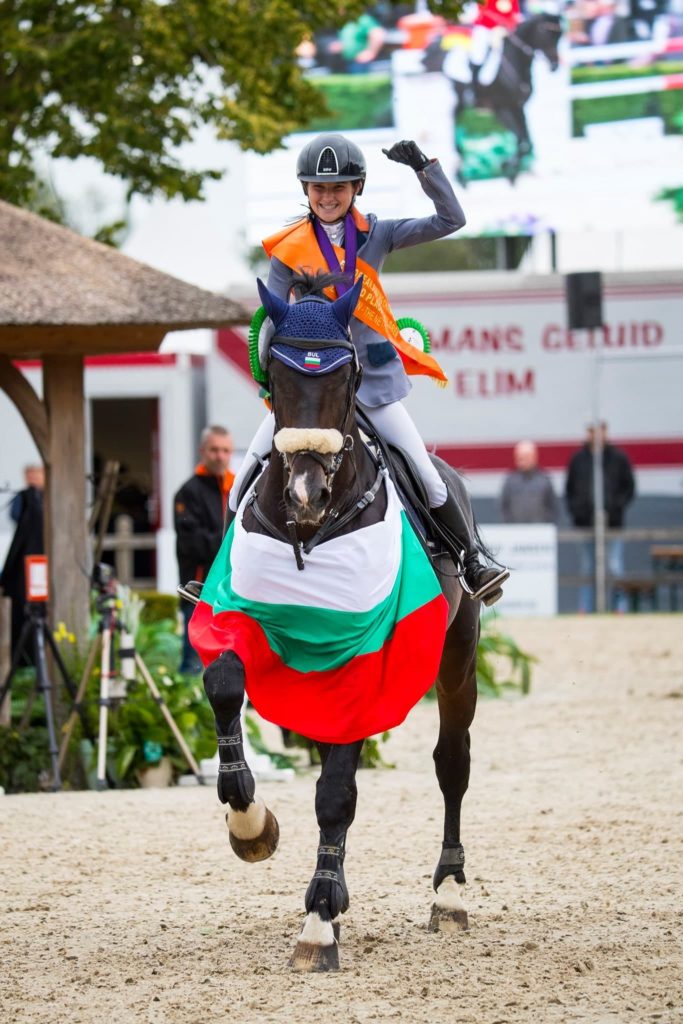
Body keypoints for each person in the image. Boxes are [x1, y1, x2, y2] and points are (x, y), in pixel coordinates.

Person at [229, 132, 508, 604]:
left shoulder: (377, 233)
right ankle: (219, 577)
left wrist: (426, 169)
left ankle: (471, 559)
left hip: (372, 384)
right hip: (313, 392)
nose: (328, 196)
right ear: (306, 191)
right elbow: (274, 326)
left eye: (338, 187)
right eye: (318, 188)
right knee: (244, 478)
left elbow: (451, 219)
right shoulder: (287, 250)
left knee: (425, 470)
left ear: (357, 187)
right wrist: (278, 381)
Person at [174, 426, 234, 673]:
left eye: (225, 450)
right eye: (214, 450)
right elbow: (193, 544)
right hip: (199, 590)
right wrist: (233, 546)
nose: (220, 455)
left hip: (233, 590)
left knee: (229, 661)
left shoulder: (237, 487)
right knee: (195, 663)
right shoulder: (188, 492)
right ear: (203, 451)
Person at [565, 422, 635, 613]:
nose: (596, 434)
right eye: (592, 430)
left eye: (599, 430)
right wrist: (578, 512)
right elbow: (570, 490)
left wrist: (615, 508)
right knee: (587, 567)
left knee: (615, 566)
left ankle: (620, 607)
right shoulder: (578, 459)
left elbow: (629, 488)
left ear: (605, 432)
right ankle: (585, 608)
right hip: (585, 524)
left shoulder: (619, 458)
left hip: (613, 523)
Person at [1, 464, 45, 658]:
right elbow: (15, 517)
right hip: (24, 561)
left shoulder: (48, 498)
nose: (32, 478)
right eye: (29, 474)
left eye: (36, 474)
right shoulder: (23, 498)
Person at [501, 440, 558, 523]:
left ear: (534, 457)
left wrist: (546, 524)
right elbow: (503, 506)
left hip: (540, 531)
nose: (522, 460)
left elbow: (553, 507)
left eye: (526, 457)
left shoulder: (544, 480)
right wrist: (509, 524)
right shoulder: (510, 481)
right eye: (519, 457)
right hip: (516, 531)